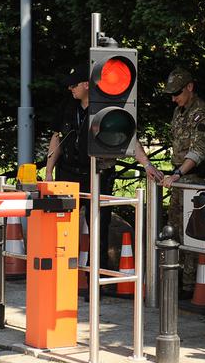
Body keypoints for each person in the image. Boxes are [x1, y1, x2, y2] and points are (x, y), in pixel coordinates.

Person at [44, 64, 162, 267]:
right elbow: (56, 138)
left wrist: (147, 165)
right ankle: (62, 273)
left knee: (99, 226)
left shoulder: (106, 108)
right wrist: (48, 173)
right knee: (63, 225)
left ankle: (97, 275)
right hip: (68, 173)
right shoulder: (67, 106)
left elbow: (128, 138)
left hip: (98, 174)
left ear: (86, 84)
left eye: (73, 85)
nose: (70, 89)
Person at [160, 67, 205, 299]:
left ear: (190, 87)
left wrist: (178, 173)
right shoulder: (179, 112)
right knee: (174, 227)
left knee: (191, 230)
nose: (174, 98)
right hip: (179, 178)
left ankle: (190, 284)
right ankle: (176, 279)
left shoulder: (202, 113)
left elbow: (198, 150)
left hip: (194, 179)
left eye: (177, 93)